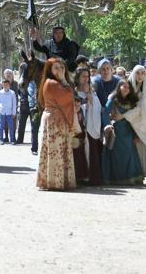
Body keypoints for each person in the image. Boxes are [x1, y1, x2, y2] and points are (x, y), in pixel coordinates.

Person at [36, 57, 79, 190]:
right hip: (54, 121)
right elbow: (68, 96)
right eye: (56, 68)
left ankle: (60, 181)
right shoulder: (51, 83)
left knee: (59, 150)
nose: (60, 70)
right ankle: (55, 182)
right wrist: (65, 80)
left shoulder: (54, 83)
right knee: (55, 151)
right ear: (50, 69)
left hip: (58, 121)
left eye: (62, 67)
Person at [102, 80, 144, 185]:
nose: (126, 89)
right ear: (118, 88)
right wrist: (107, 125)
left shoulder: (132, 102)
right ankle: (118, 179)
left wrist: (137, 134)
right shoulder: (113, 100)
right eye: (123, 86)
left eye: (128, 87)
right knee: (117, 156)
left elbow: (136, 118)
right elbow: (105, 113)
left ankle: (131, 178)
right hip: (116, 132)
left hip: (128, 132)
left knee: (130, 154)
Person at [74, 67, 102, 185]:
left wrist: (89, 95)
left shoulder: (92, 91)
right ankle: (80, 177)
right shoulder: (73, 92)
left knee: (91, 152)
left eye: (87, 76)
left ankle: (91, 177)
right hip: (77, 127)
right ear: (78, 78)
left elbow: (97, 107)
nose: (86, 79)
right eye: (83, 76)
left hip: (89, 126)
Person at [0, 79, 17, 145]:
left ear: (9, 85)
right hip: (2, 112)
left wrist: (14, 113)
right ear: (2, 85)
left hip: (9, 113)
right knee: (1, 126)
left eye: (7, 85)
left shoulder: (12, 93)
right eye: (4, 85)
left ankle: (12, 140)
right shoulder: (0, 92)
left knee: (11, 127)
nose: (6, 86)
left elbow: (14, 103)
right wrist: (0, 102)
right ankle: (1, 139)